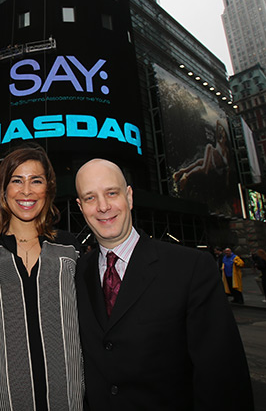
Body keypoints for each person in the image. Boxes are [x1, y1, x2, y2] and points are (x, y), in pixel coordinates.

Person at [74, 159, 253, 410]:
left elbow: (223, 378)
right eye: (90, 198)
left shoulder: (190, 267)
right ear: (81, 207)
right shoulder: (76, 272)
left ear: (129, 196)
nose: (103, 207)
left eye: (111, 193)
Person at [0, 146, 83, 411]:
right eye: (17, 180)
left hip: (68, 401)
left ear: (48, 188)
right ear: (3, 189)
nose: (27, 191)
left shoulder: (70, 250)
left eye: (36, 181)